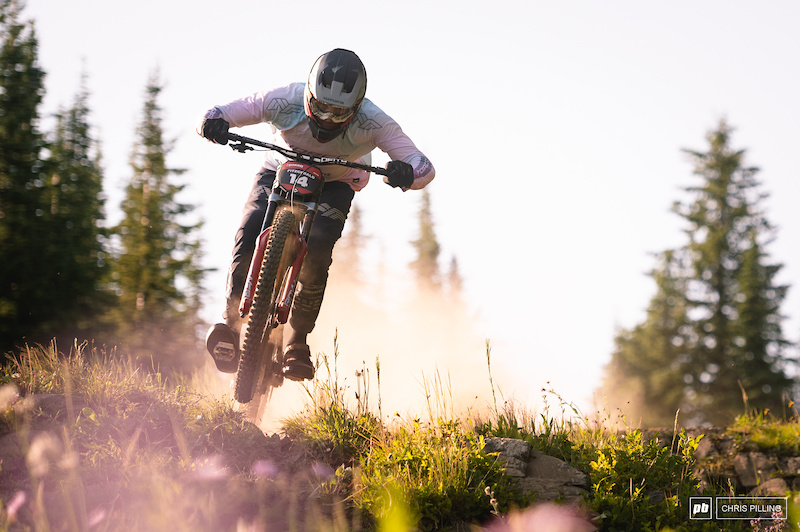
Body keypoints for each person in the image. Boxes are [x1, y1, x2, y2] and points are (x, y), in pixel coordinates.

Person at [198, 48, 435, 381]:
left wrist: (406, 173)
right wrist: (214, 122)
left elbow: (423, 166)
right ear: (308, 94)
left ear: (357, 108)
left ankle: (297, 341)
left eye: (339, 113)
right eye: (321, 107)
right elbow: (221, 111)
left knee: (319, 248)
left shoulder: (374, 120)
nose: (327, 118)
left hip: (336, 181)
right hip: (280, 168)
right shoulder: (284, 99)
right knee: (250, 230)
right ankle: (229, 321)